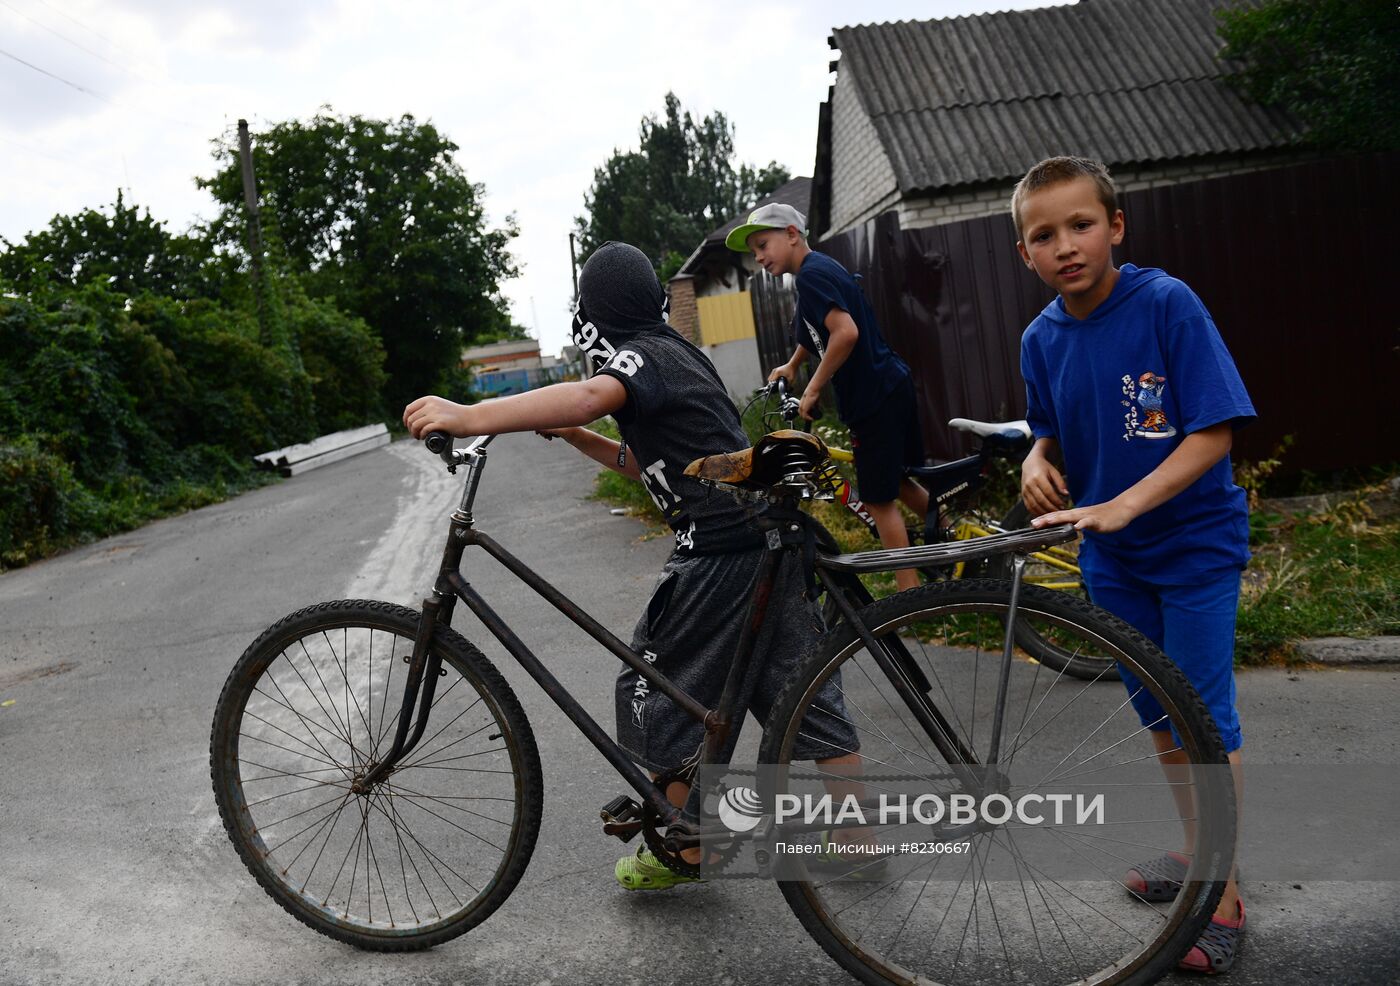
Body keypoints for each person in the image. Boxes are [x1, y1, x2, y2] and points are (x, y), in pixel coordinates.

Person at [404, 241, 861, 891]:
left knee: (654, 685)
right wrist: (583, 440)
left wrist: (473, 415)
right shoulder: (674, 353)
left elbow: (589, 395)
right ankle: (857, 833)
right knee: (794, 689)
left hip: (719, 550)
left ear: (594, 313)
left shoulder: (639, 354)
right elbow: (643, 467)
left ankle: (687, 846)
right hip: (767, 539)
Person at [1012, 156, 1253, 974]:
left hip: (1193, 551)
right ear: (1026, 254)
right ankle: (1197, 857)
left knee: (1207, 723)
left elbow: (1214, 431)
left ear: (1116, 226)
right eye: (1044, 235)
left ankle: (1221, 897)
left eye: (1081, 225)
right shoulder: (1039, 340)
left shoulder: (1166, 305)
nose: (1066, 245)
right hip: (1112, 562)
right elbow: (1047, 426)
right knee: (1161, 719)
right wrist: (1032, 458)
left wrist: (1126, 503)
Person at [727, 203, 929, 590]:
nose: (758, 256)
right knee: (897, 481)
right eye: (753, 250)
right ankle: (952, 538)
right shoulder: (816, 270)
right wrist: (792, 365)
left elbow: (845, 332)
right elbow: (814, 331)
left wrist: (814, 387)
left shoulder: (812, 276)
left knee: (877, 499)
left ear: (791, 234)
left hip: (874, 397)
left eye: (762, 244)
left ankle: (910, 593)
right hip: (888, 386)